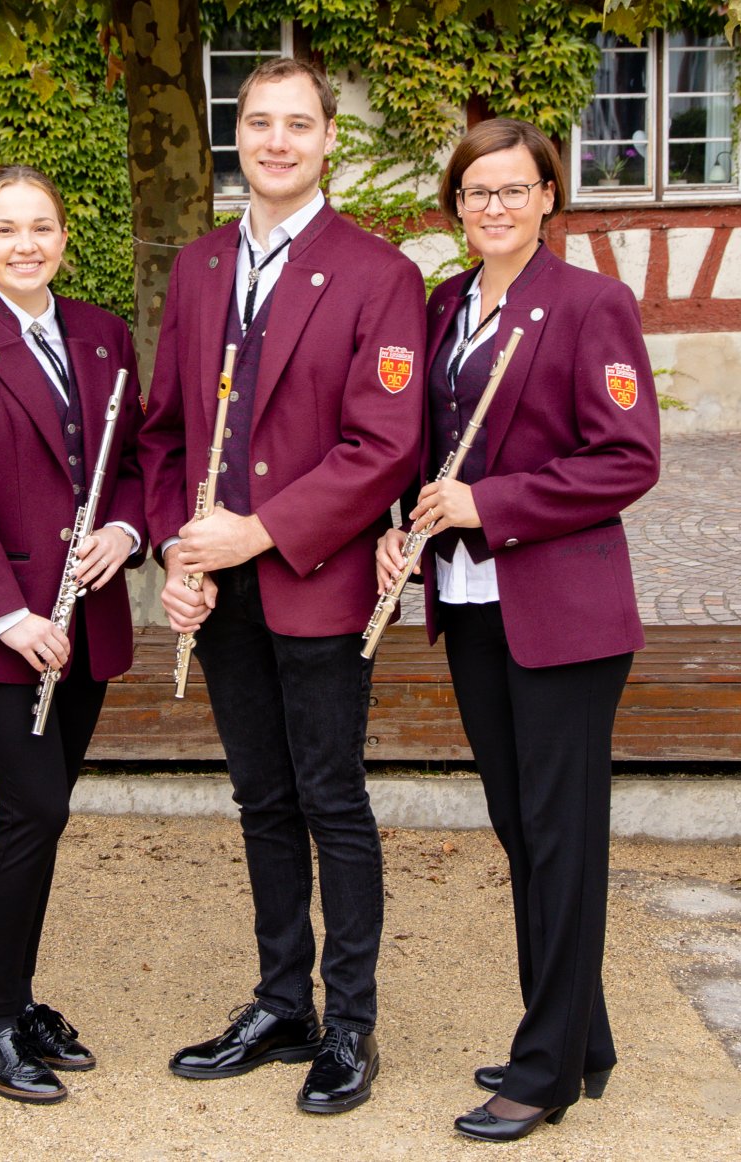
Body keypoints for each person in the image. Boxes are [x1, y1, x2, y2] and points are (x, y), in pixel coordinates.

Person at [137, 57, 425, 1115]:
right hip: (225, 589)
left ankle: (348, 1021)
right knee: (260, 797)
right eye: (259, 123)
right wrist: (180, 545)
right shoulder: (200, 266)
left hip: (316, 574)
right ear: (238, 136)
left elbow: (383, 445)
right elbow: (165, 430)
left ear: (327, 142)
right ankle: (280, 1001)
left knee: (330, 797)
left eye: (298, 125)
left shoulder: (378, 273)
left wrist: (258, 531)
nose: (277, 141)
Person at [374, 118, 661, 1142]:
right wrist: (397, 522)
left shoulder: (590, 305)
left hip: (565, 615)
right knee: (522, 832)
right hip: (471, 606)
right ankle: (581, 1038)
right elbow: (422, 446)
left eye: (513, 189)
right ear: (456, 208)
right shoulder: (447, 305)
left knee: (560, 838)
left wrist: (489, 506)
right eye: (474, 193)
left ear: (549, 197)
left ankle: (543, 1071)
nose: (492, 208)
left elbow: (627, 460)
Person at [0, 165, 145, 1105]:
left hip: (84, 615)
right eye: (4, 230)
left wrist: (126, 533)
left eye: (40, 227)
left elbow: (134, 457)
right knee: (35, 808)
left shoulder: (103, 333)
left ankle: (21, 997)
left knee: (41, 815)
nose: (24, 245)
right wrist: (7, 614)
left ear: (62, 236)